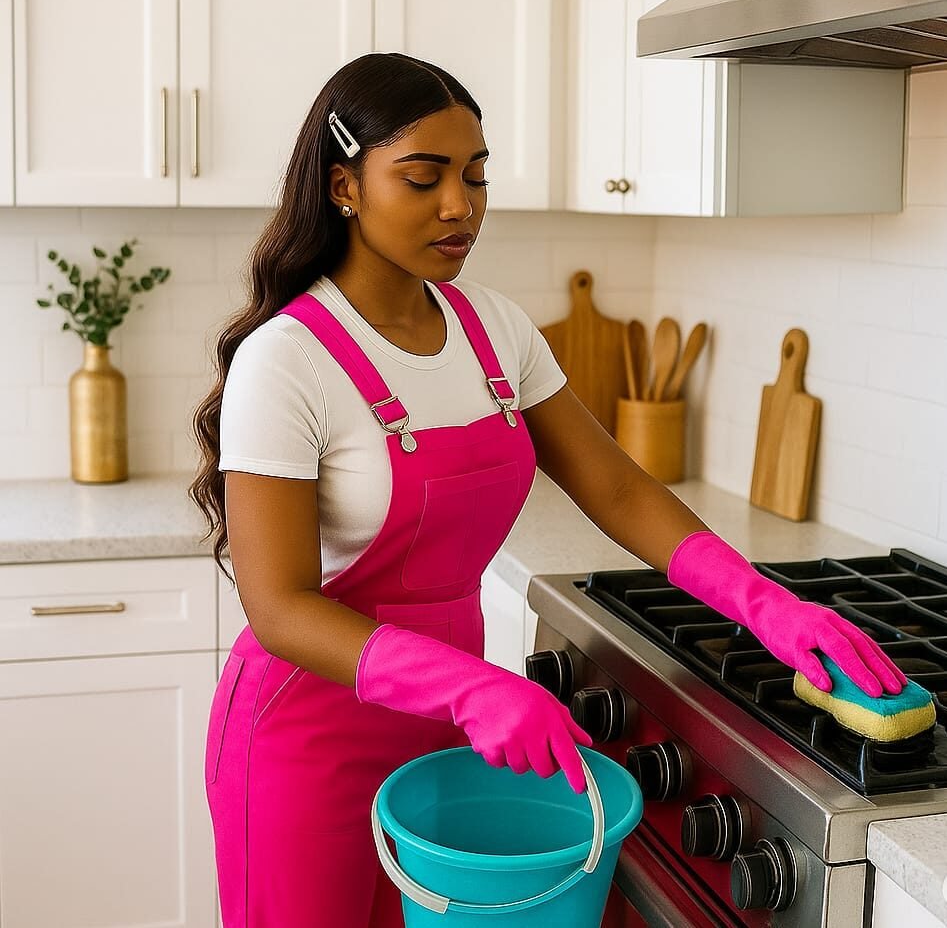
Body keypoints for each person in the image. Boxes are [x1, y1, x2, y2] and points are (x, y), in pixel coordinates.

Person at [189, 52, 906, 928]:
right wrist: (470, 687)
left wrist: (764, 604)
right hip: (306, 740)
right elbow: (279, 606)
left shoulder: (494, 329)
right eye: (423, 178)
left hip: (442, 735)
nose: (461, 206)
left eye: (476, 176)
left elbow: (613, 486)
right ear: (344, 186)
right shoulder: (287, 359)